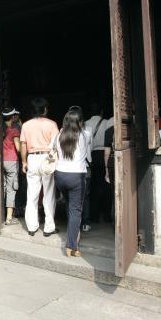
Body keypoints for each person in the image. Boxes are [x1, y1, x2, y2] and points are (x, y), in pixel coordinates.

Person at [53, 109, 91, 257]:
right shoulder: (85, 135)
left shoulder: (59, 136)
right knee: (75, 210)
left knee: (70, 206)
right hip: (76, 177)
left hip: (60, 176)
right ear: (80, 122)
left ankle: (73, 236)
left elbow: (53, 149)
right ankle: (71, 246)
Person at [20, 98, 59, 237]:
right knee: (48, 194)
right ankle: (49, 227)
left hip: (32, 158)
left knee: (32, 194)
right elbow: (56, 145)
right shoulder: (52, 124)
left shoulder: (26, 125)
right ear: (45, 110)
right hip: (47, 158)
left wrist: (24, 162)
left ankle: (32, 227)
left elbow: (23, 145)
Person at [82, 103, 106, 233]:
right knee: (105, 185)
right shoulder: (106, 122)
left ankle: (94, 215)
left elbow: (88, 146)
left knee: (93, 188)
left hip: (91, 156)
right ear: (101, 111)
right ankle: (106, 215)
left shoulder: (85, 124)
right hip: (105, 153)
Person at [2, 107, 21, 225]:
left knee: (3, 188)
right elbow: (18, 148)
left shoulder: (0, 129)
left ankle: (1, 214)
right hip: (12, 161)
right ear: (13, 117)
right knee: (11, 189)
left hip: (1, 160)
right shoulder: (14, 130)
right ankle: (9, 218)